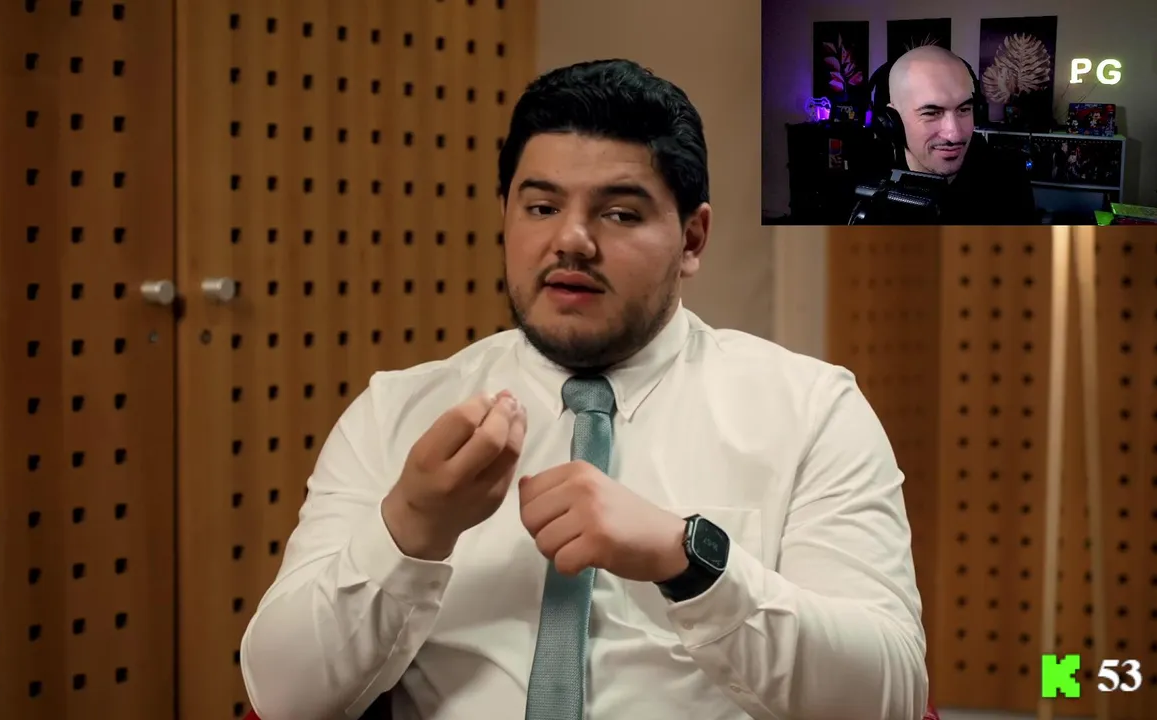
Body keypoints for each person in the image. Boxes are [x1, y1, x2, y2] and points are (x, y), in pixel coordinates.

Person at [240, 58, 929, 720]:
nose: (571, 240)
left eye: (620, 214)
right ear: (505, 216)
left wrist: (688, 561)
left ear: (692, 239)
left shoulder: (811, 412)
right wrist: (411, 527)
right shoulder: (397, 414)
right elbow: (282, 696)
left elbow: (889, 696)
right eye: (541, 207)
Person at [870, 45, 1036, 224]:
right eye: (931, 113)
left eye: (964, 110)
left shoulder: (1009, 178)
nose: (954, 135)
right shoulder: (868, 176)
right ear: (891, 119)